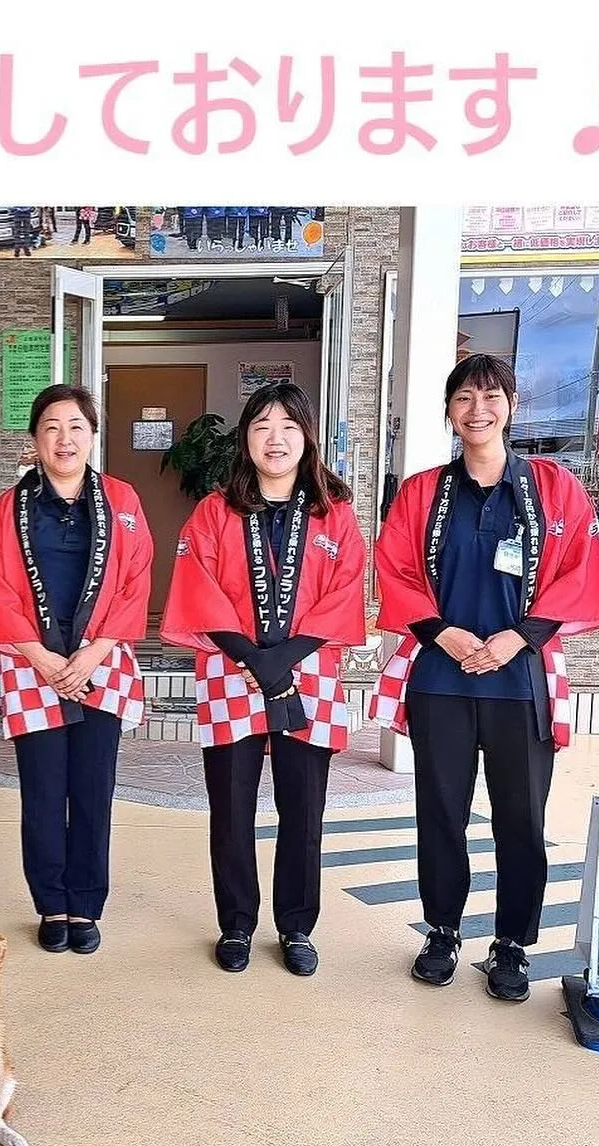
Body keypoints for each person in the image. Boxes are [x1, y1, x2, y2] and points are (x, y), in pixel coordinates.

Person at [371, 354, 599, 1002]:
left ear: (511, 405)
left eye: (490, 395)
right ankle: (443, 930)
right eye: (463, 398)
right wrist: (442, 633)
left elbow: (579, 568)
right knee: (441, 816)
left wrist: (518, 637)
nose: (477, 409)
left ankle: (512, 941)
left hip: (519, 680)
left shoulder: (552, 486)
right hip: (442, 681)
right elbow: (393, 569)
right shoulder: (423, 491)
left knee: (520, 819)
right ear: (449, 411)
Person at [161, 384, 366, 976]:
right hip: (231, 674)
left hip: (309, 677)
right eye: (261, 426)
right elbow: (198, 588)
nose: (275, 438)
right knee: (231, 809)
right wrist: (254, 659)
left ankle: (297, 926)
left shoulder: (336, 514)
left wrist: (283, 659)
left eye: (288, 426)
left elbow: (345, 591)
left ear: (307, 436)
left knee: (304, 810)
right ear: (245, 438)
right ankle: (237, 924)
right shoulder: (214, 510)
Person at [0, 384, 153, 955]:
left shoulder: (122, 502)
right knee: (44, 792)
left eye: (76, 426)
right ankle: (52, 903)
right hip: (33, 667)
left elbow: (135, 581)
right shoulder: (10, 508)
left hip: (102, 662)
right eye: (51, 427)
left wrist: (91, 655)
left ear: (93, 436)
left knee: (94, 790)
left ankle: (86, 905)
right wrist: (44, 658)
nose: (64, 438)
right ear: (34, 441)